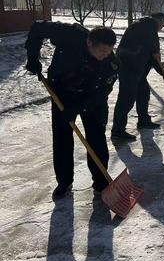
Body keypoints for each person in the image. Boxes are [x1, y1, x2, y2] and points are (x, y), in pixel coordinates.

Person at [25, 21, 119, 199]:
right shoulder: (69, 34)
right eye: (102, 51)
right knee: (62, 138)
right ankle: (64, 181)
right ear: (89, 43)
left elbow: (102, 93)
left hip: (92, 100)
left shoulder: (112, 64)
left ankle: (101, 182)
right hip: (63, 93)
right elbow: (37, 27)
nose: (106, 55)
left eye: (109, 51)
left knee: (96, 138)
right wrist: (32, 57)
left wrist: (78, 107)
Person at [112, 13, 164, 142]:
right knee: (126, 99)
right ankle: (117, 131)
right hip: (130, 66)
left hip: (131, 65)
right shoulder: (150, 29)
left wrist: (163, 72)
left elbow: (151, 54)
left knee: (143, 92)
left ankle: (143, 120)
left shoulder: (140, 26)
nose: (162, 27)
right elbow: (155, 57)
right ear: (160, 21)